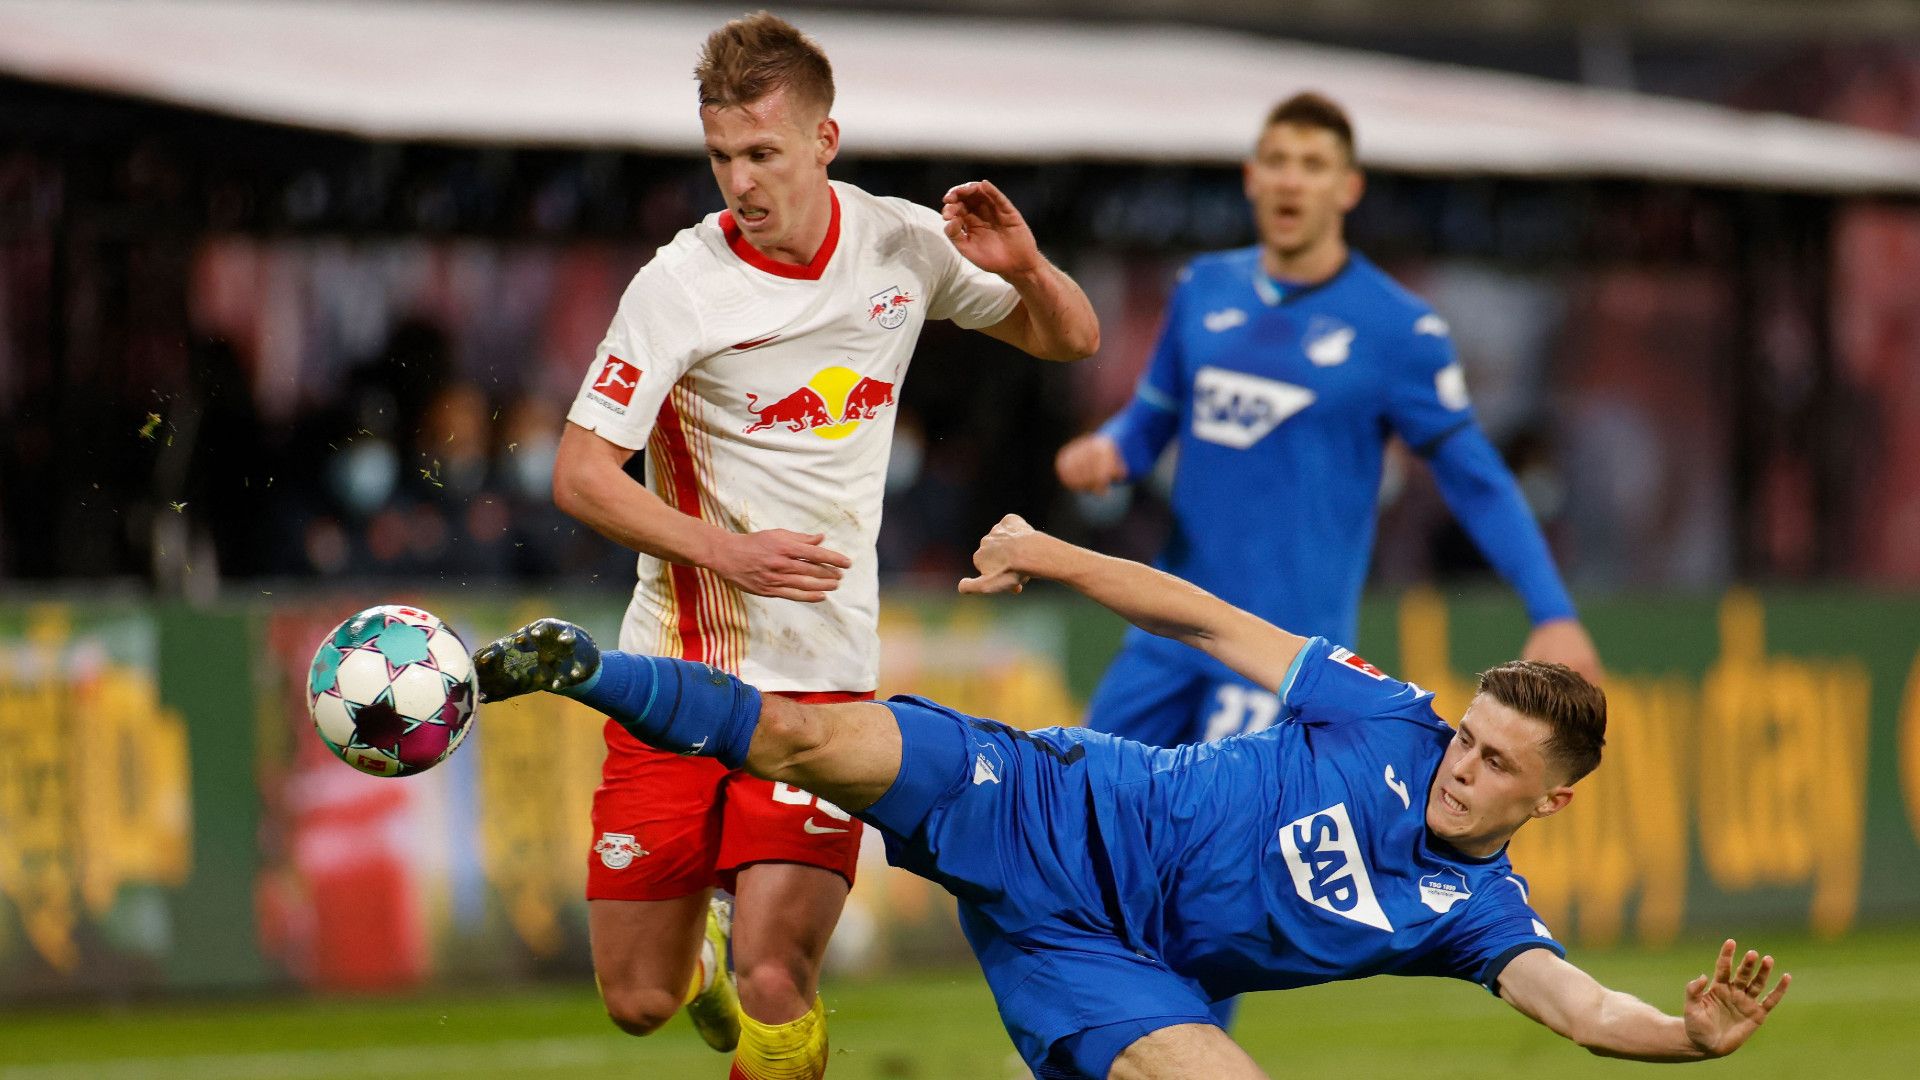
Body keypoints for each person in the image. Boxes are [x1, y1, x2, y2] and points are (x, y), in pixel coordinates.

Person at [472, 515, 1789, 1080]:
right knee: (814, 747)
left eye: (1499, 765)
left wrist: (1687, 1039)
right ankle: (586, 669)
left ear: (1550, 803)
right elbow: (1210, 621)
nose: (1464, 761)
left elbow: (1579, 1004)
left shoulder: (1475, 915)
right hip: (1058, 801)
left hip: (1101, 961)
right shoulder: (1388, 713)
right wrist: (1050, 554)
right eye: (1470, 736)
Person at [551, 12, 1099, 1078]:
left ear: (822, 141)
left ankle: (747, 981)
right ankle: (693, 960)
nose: (739, 181)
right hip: (673, 673)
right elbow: (580, 474)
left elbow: (1069, 338)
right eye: (721, 156)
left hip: (823, 689)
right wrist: (726, 553)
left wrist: (1027, 268)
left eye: (761, 153)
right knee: (639, 999)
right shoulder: (680, 285)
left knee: (776, 974)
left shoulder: (900, 245)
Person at [1056, 92, 1603, 752]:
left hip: (1280, 654)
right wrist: (1109, 450)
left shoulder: (1397, 329)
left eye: (1313, 164)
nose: (1292, 179)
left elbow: (1476, 481)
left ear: (1348, 189)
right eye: (1278, 161)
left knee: (1216, 841)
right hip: (1164, 632)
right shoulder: (1204, 288)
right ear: (1252, 178)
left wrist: (1554, 612)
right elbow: (1150, 423)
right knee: (1078, 808)